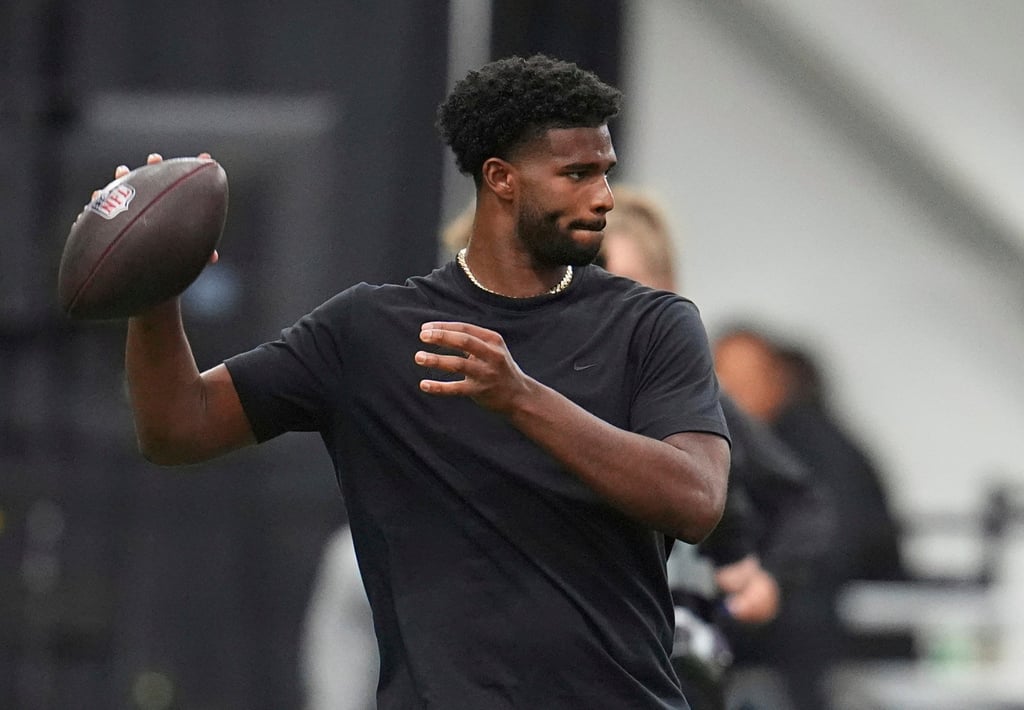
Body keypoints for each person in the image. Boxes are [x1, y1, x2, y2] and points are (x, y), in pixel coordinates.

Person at [106, 55, 731, 709]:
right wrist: (154, 290)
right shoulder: (369, 330)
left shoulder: (653, 325)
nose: (602, 197)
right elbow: (177, 427)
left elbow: (695, 498)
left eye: (604, 172)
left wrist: (521, 397)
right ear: (502, 179)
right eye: (576, 174)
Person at [595, 188, 835, 710]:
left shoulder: (699, 401)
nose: (614, 310)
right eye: (601, 288)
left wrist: (764, 581)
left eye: (632, 289)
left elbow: (800, 503)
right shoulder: (553, 393)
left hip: (675, 663)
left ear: (669, 293)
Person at [712, 326, 909, 710]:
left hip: (828, 617)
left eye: (743, 380)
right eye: (721, 380)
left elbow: (831, 544)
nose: (730, 394)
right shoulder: (751, 445)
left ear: (776, 381)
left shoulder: (815, 446)